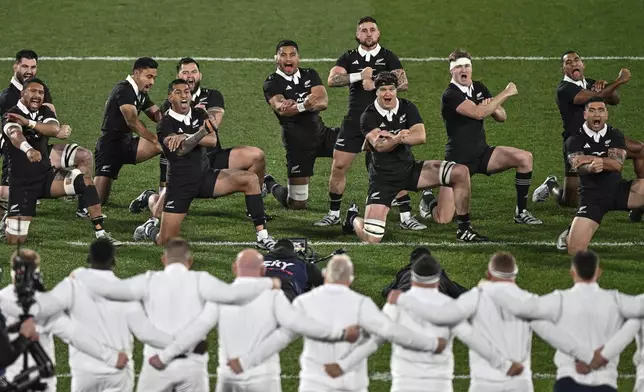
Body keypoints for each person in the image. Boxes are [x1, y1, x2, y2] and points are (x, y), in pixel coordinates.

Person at [69, 240, 281, 392]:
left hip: (155, 367)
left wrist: (81, 274)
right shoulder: (201, 280)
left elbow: (110, 290)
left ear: (163, 259)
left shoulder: (149, 280)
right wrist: (268, 282)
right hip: (192, 366)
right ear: (190, 261)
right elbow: (234, 295)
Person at [147, 248, 360, 392]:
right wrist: (341, 333)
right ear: (262, 270)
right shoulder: (275, 296)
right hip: (263, 378)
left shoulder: (221, 297)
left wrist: (165, 355)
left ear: (234, 269)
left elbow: (195, 330)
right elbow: (298, 326)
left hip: (229, 377)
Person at [230, 254, 448, 392]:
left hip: (314, 382)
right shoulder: (361, 303)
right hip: (351, 383)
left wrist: (248, 361)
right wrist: (430, 344)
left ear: (325, 275)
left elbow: (281, 337)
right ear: (351, 279)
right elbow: (389, 331)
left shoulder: (305, 302)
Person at [391, 252, 595, 392]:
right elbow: (551, 332)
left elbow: (441, 315)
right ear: (515, 276)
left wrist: (403, 300)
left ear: (489, 274)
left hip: (485, 383)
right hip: (520, 383)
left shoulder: (475, 298)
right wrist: (584, 354)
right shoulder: (528, 299)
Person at [323, 253, 524, 392]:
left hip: (405, 384)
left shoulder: (397, 304)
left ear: (413, 277)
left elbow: (375, 339)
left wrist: (343, 364)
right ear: (438, 280)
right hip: (440, 385)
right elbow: (472, 337)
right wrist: (504, 364)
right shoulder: (450, 307)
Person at [342, 72, 489, 243]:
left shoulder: (407, 107)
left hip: (409, 170)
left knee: (461, 172)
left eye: (391, 89)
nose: (387, 93)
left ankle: (464, 229)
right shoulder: (368, 115)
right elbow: (380, 145)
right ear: (376, 91)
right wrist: (399, 137)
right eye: (382, 89)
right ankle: (352, 218)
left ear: (397, 90)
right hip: (383, 180)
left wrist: (393, 138)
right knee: (372, 238)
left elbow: (420, 136)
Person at [134, 79, 276, 249]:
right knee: (165, 241)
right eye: (178, 92)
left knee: (251, 180)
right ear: (170, 97)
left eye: (186, 91)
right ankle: (150, 226)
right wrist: (198, 134)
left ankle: (262, 237)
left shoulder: (199, 114)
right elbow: (181, 150)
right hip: (180, 186)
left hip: (205, 177)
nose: (184, 95)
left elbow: (212, 140)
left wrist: (186, 136)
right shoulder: (165, 124)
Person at [23, 239, 179, 392]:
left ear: (89, 258)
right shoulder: (126, 292)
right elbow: (146, 333)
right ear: (114, 261)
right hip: (118, 372)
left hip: (84, 371)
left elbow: (41, 309)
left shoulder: (73, 285)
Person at [320, 16, 426, 231]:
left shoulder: (388, 56)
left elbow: (403, 83)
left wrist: (376, 82)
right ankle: (332, 213)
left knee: (392, 166)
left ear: (378, 34)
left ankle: (406, 216)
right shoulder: (349, 57)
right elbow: (332, 80)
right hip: (354, 121)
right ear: (357, 34)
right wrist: (359, 76)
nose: (368, 33)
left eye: (372, 30)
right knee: (339, 165)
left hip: (383, 120)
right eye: (363, 30)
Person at [130, 57, 270, 219]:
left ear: (200, 75)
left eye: (194, 72)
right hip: (185, 167)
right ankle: (150, 197)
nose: (190, 76)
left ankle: (255, 208)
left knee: (256, 156)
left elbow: (213, 124)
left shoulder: (212, 96)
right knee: (161, 214)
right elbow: (168, 144)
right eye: (185, 72)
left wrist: (186, 134)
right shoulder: (169, 104)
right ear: (178, 76)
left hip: (213, 156)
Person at [419, 49, 542, 226]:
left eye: (467, 66)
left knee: (524, 157)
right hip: (458, 161)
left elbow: (501, 116)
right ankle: (428, 197)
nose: (464, 70)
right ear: (451, 71)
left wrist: (492, 106)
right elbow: (478, 113)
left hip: (482, 154)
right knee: (443, 218)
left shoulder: (479, 87)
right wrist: (506, 93)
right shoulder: (450, 95)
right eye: (459, 67)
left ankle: (521, 212)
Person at [487, 250, 631, 392]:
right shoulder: (616, 301)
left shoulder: (559, 300)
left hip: (568, 382)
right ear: (598, 272)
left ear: (572, 273)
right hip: (604, 383)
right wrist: (602, 356)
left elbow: (525, 312)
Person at [1, 78, 116, 245]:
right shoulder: (11, 114)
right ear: (22, 93)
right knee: (16, 240)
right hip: (22, 186)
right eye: (33, 91)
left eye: (41, 93)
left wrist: (28, 123)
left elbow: (53, 129)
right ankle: (6, 220)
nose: (37, 96)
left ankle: (101, 233)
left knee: (84, 181)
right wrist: (28, 149)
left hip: (46, 178)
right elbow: (14, 135)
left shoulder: (44, 111)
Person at [0, 247, 129, 391]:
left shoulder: (3, 300)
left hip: (10, 382)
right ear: (36, 273)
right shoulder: (45, 305)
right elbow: (75, 335)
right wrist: (111, 357)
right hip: (41, 383)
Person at [532, 51, 634, 213]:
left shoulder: (591, 84)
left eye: (576, 60)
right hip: (576, 144)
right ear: (563, 69)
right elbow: (596, 97)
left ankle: (637, 205)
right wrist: (619, 81)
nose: (573, 63)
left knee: (640, 150)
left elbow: (615, 100)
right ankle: (551, 185)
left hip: (602, 138)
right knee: (570, 201)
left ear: (583, 64)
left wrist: (607, 86)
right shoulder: (564, 88)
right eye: (568, 62)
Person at [0, 49, 94, 221]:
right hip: (16, 156)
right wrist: (50, 130)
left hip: (41, 148)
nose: (29, 71)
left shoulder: (40, 88)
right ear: (15, 67)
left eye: (33, 67)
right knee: (6, 195)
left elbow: (51, 118)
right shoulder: (8, 98)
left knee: (84, 156)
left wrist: (56, 128)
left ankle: (83, 208)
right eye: (25, 66)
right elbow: (14, 134)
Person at [559, 99, 644, 254]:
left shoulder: (615, 134)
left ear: (606, 114)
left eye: (600, 110)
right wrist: (589, 167)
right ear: (585, 114)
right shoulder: (574, 140)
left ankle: (638, 211)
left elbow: (617, 164)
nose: (596, 114)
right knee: (575, 250)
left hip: (619, 191)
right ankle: (572, 229)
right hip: (592, 198)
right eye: (592, 110)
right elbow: (578, 166)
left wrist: (593, 159)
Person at [261, 40, 338, 211]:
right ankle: (269, 182)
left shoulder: (310, 74)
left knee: (366, 142)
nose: (288, 59)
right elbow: (282, 109)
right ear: (276, 59)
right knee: (297, 204)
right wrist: (305, 104)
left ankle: (385, 190)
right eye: (283, 55)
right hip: (297, 144)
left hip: (322, 134)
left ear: (298, 58)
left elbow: (323, 101)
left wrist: (297, 105)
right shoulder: (271, 82)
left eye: (292, 55)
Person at [93, 57, 162, 205]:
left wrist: (175, 116)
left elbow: (156, 114)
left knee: (168, 145)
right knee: (97, 201)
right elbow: (132, 121)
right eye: (148, 77)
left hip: (127, 143)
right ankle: (75, 184)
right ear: (136, 73)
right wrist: (154, 139)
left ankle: (162, 195)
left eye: (154, 78)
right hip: (110, 146)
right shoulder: (124, 89)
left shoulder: (140, 92)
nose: (152, 82)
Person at [381, 247, 468, 299]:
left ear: (411, 261)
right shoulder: (436, 272)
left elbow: (386, 291)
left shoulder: (404, 271)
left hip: (406, 297)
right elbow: (457, 292)